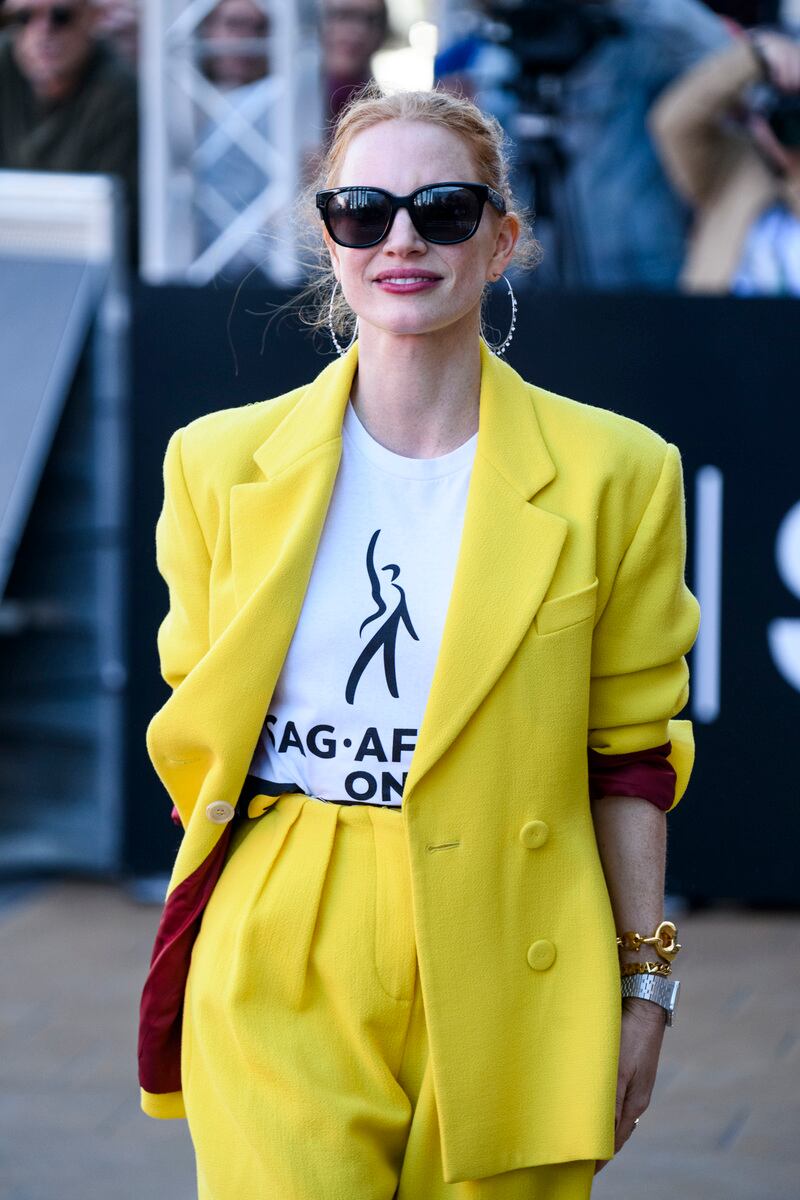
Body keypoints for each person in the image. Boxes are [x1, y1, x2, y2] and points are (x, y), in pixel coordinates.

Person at [137, 87, 700, 1198]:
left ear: (501, 242)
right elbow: (198, 730)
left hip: (517, 934)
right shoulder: (213, 465)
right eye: (362, 211)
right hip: (284, 920)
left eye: (442, 210)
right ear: (328, 236)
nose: (400, 239)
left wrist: (643, 988)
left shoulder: (619, 473)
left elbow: (629, 752)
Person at [435, 0, 732, 289]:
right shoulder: (500, 62)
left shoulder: (640, 46)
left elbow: (727, 59)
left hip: (639, 274)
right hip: (529, 278)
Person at [649, 29, 800, 293]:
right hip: (716, 327)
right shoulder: (732, 165)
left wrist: (792, 170)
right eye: (782, 110)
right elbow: (672, 122)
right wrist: (756, 58)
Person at [0, 0, 139, 263]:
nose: (42, 31)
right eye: (24, 17)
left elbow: (111, 216)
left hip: (77, 263)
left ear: (93, 18)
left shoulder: (118, 91)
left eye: (62, 16)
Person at [321, 0, 388, 128]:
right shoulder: (283, 106)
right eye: (344, 15)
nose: (358, 30)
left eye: (370, 19)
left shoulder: (384, 115)